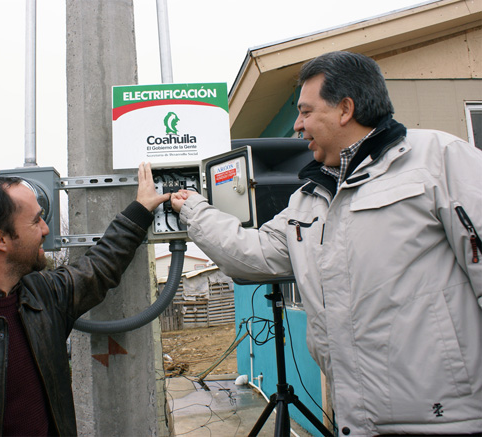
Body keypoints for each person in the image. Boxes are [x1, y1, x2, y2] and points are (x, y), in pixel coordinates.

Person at [171, 51, 482, 436]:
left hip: (454, 422)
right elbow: (254, 255)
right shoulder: (308, 200)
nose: (298, 126)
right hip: (358, 422)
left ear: (345, 109)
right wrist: (194, 209)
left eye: (305, 112)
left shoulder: (439, 160)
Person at [0, 162, 170, 436]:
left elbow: (97, 269)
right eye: (36, 220)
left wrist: (140, 209)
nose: (46, 229)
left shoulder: (42, 294)